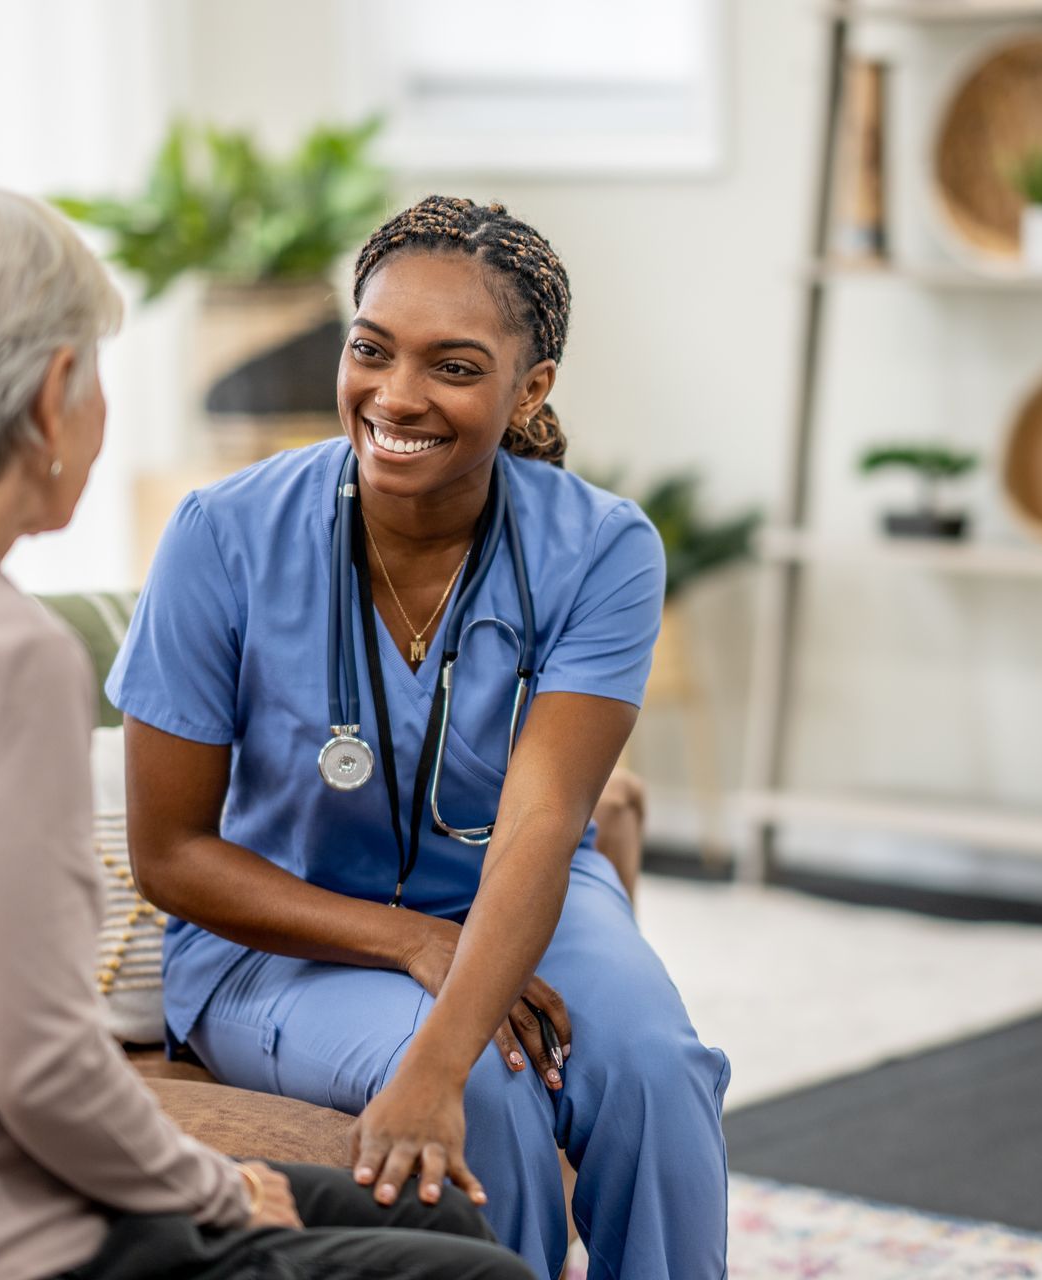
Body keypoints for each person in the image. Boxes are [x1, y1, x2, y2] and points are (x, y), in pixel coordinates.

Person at [0, 181, 532, 1280]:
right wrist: (216, 1181)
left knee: (437, 1222)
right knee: (474, 1271)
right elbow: (43, 1065)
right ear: (54, 393)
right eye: (97, 372)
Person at [110, 196, 731, 1280]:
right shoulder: (224, 535)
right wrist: (412, 946)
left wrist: (453, 1005)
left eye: (453, 366)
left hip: (518, 888)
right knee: (488, 1095)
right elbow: (170, 852)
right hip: (281, 941)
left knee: (654, 1067)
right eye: (371, 350)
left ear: (529, 388)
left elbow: (543, 823)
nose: (396, 396)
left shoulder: (601, 548)